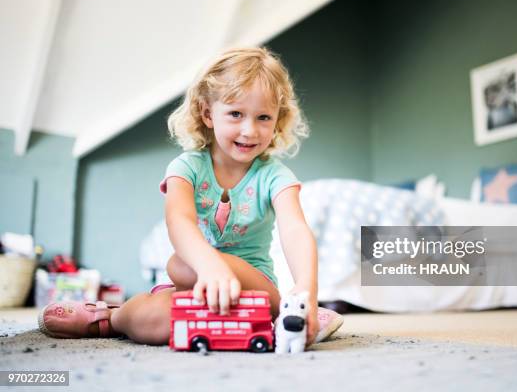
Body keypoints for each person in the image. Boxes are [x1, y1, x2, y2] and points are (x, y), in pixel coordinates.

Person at [38, 47, 344, 347]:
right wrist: (210, 267)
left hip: (256, 288)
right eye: (236, 114)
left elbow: (295, 230)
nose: (250, 130)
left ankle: (292, 316)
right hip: (194, 282)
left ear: (277, 120)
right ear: (207, 113)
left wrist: (306, 291)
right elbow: (179, 220)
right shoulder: (186, 167)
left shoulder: (275, 175)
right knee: (156, 313)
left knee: (180, 265)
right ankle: (109, 319)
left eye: (263, 117)